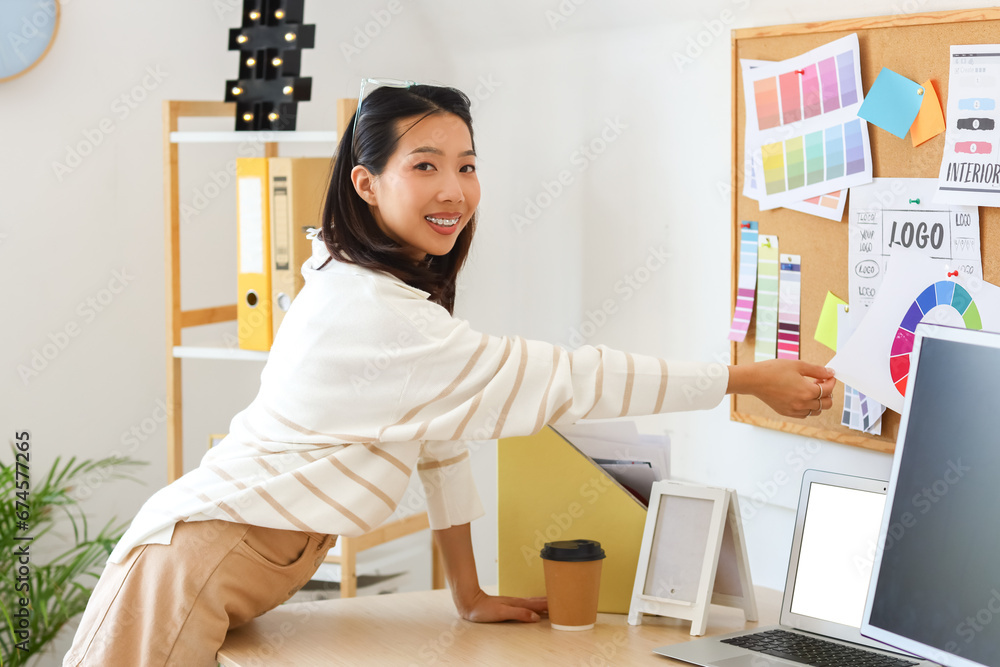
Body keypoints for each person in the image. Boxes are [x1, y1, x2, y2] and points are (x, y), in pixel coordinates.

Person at [64, 81, 836, 667]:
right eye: (424, 165)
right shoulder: (376, 313)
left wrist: (466, 591)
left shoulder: (377, 295)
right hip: (193, 561)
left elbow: (438, 438)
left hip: (232, 560)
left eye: (466, 166)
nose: (453, 190)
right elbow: (574, 376)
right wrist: (740, 379)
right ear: (366, 183)